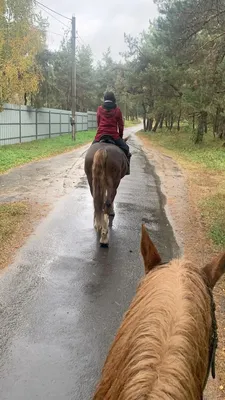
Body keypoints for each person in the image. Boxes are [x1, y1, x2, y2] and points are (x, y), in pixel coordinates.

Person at [93, 91, 131, 175]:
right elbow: (121, 125)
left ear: (104, 99)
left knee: (91, 150)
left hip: (100, 135)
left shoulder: (99, 109)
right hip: (113, 136)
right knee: (126, 149)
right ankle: (127, 170)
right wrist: (120, 136)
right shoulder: (117, 110)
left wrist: (100, 131)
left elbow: (98, 123)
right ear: (113, 99)